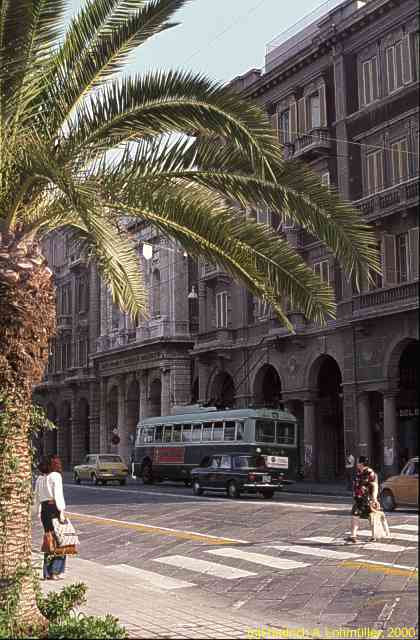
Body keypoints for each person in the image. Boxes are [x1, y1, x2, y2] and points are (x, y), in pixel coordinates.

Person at [34, 455, 67, 580]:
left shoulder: (39, 479)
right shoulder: (56, 477)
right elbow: (58, 495)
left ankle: (47, 572)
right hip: (54, 509)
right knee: (60, 541)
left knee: (49, 540)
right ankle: (55, 571)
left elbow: (36, 497)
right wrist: (62, 512)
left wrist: (36, 512)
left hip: (44, 511)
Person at [346, 456, 378, 543]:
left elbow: (375, 486)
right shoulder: (360, 472)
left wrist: (374, 498)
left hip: (366, 499)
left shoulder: (370, 473)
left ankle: (372, 535)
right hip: (359, 498)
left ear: (362, 463)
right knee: (355, 515)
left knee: (370, 517)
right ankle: (353, 535)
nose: (357, 464)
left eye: (358, 462)